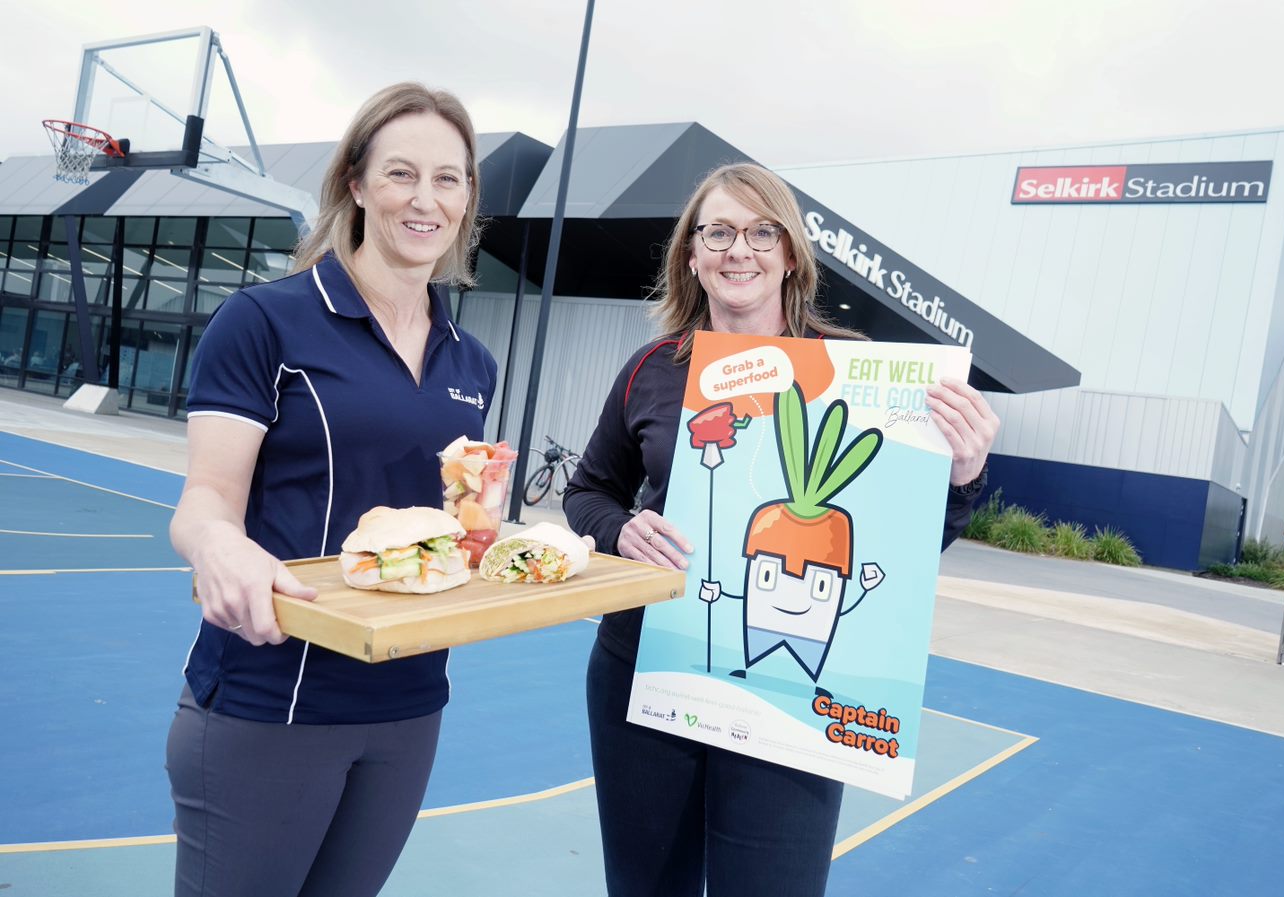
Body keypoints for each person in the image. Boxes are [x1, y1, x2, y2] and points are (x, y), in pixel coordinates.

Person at [564, 163, 1000, 897]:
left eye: (762, 231)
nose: (741, 249)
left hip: (793, 697)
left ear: (790, 252)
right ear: (692, 255)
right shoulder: (651, 368)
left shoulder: (858, 375)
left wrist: (962, 476)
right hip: (647, 672)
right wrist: (620, 528)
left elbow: (901, 538)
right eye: (720, 232)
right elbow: (587, 491)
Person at [166, 82, 495, 897]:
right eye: (401, 174)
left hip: (410, 703)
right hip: (271, 698)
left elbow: (453, 528)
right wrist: (217, 546)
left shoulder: (472, 361)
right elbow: (206, 497)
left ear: (467, 199)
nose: (426, 200)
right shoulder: (265, 322)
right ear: (355, 183)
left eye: (448, 179)